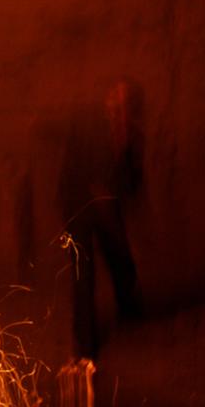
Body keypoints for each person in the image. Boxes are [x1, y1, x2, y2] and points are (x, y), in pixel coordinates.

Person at [58, 80, 144, 360]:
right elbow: (75, 166)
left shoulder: (129, 129)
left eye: (124, 100)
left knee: (121, 259)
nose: (118, 104)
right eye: (115, 97)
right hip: (78, 204)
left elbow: (131, 177)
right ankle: (85, 344)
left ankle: (130, 314)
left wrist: (119, 194)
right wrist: (98, 192)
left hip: (105, 204)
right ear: (106, 97)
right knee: (83, 273)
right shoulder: (87, 122)